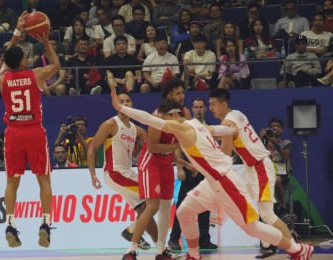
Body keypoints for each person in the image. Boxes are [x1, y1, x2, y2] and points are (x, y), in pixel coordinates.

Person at [110, 88, 314, 260]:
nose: (163, 122)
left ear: (173, 115)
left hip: (226, 182)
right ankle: (194, 254)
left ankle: (298, 249)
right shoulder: (198, 124)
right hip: (212, 182)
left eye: (164, 118)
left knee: (251, 227)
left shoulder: (181, 127)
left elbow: (148, 119)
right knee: (184, 212)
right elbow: (218, 129)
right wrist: (233, 132)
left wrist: (121, 108)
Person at [208, 88, 305, 259]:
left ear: (224, 104)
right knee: (258, 210)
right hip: (252, 167)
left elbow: (225, 154)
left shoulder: (227, 124)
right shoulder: (236, 113)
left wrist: (206, 137)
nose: (210, 108)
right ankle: (268, 246)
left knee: (267, 213)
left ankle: (296, 248)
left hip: (259, 166)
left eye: (213, 104)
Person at [0, 11, 61, 248]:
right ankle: (45, 223)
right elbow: (56, 64)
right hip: (34, 131)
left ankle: (10, 225)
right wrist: (45, 42)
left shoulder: (3, 79)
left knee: (12, 182)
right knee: (43, 180)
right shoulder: (35, 75)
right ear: (23, 62)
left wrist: (16, 33)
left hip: (13, 133)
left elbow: (5, 63)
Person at [122, 80, 188, 260]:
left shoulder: (184, 114)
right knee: (152, 207)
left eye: (183, 93)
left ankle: (161, 251)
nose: (181, 97)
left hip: (167, 164)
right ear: (168, 97)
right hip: (150, 164)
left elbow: (180, 142)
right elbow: (152, 147)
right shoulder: (157, 117)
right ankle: (130, 251)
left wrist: (183, 163)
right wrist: (179, 144)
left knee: (166, 208)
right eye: (177, 94)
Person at [87, 87, 154, 252]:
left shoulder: (136, 130)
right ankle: (132, 231)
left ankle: (154, 244)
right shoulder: (110, 124)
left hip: (127, 173)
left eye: (128, 101)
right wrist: (93, 175)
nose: (125, 103)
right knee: (153, 198)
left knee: (145, 209)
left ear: (132, 104)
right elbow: (92, 148)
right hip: (114, 173)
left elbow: (150, 146)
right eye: (121, 101)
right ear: (116, 104)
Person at [168, 98, 217, 251]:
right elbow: (178, 147)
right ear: (192, 109)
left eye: (201, 107)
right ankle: (173, 239)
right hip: (189, 171)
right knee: (182, 204)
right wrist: (180, 169)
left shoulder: (209, 128)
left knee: (205, 205)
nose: (198, 110)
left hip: (205, 171)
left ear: (205, 109)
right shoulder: (188, 126)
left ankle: (204, 240)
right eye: (195, 107)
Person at [260, 118, 293, 218]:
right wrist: (261, 138)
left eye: (278, 126)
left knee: (276, 180)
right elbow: (256, 152)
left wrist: (276, 144)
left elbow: (285, 156)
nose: (275, 128)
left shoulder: (286, 142)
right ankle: (264, 209)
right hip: (267, 171)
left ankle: (282, 206)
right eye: (273, 126)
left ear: (282, 130)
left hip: (281, 172)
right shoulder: (265, 142)